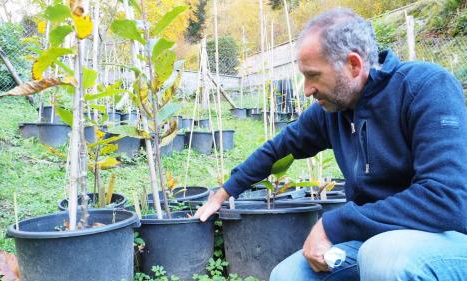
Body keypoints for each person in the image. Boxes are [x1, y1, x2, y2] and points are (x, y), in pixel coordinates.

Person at [194, 7, 467, 281]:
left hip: (445, 239)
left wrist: (332, 225)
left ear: (354, 65)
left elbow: (445, 200)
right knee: (288, 276)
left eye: (313, 75)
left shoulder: (426, 88)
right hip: (374, 239)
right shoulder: (336, 111)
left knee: (384, 258)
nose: (306, 89)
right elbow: (278, 148)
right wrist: (224, 193)